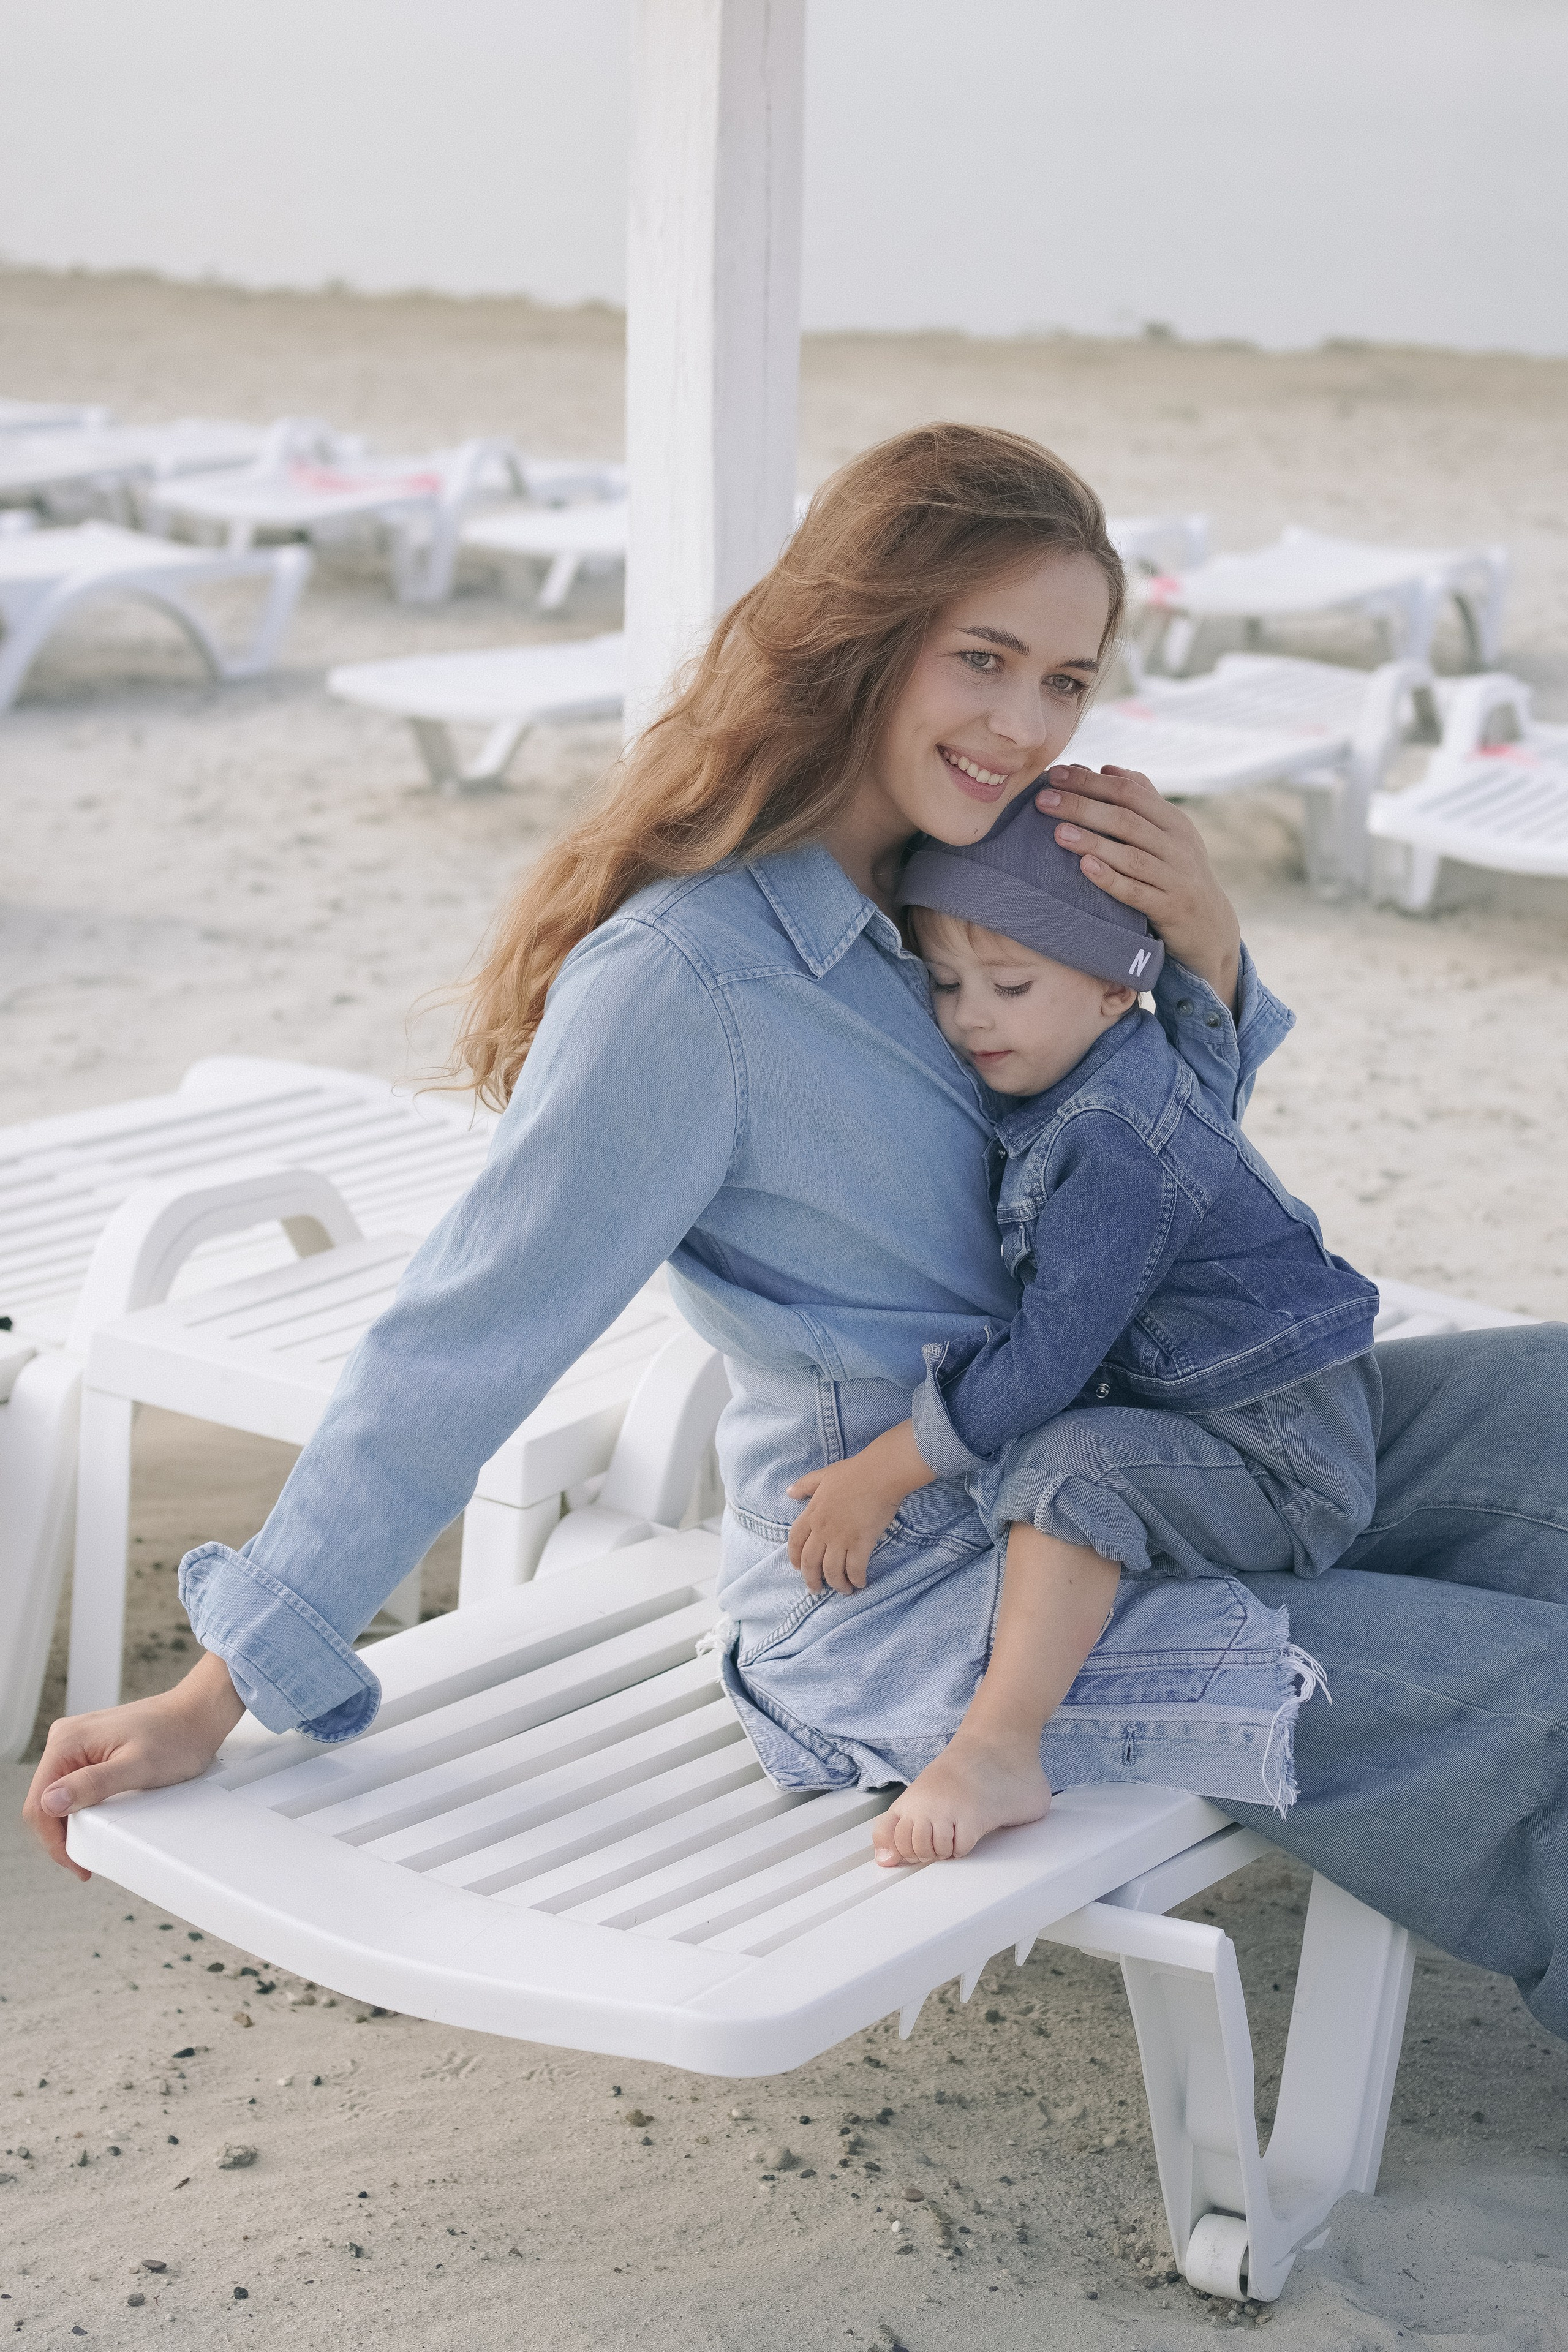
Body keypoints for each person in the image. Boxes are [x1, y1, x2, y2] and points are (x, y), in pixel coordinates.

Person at [21, 426, 1568, 2052]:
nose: (1025, 724)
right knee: (1528, 1698)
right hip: (919, 1597)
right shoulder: (686, 985)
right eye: (984, 659)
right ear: (862, 632)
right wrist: (221, 1690)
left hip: (1169, 1438)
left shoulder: (982, 870)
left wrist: (1212, 958)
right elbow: (461, 1341)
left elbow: (1160, 1186)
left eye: (1065, 680)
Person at [784, 792, 1381, 1863]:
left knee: (1067, 1471)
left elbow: (1053, 1356)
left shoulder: (1109, 1138)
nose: (972, 1017)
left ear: (1117, 991)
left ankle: (1000, 1747)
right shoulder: (1097, 1064)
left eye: (1011, 986)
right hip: (1278, 1407)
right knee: (1064, 1456)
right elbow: (1206, 1030)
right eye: (948, 983)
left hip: (1282, 1456)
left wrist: (887, 1468)